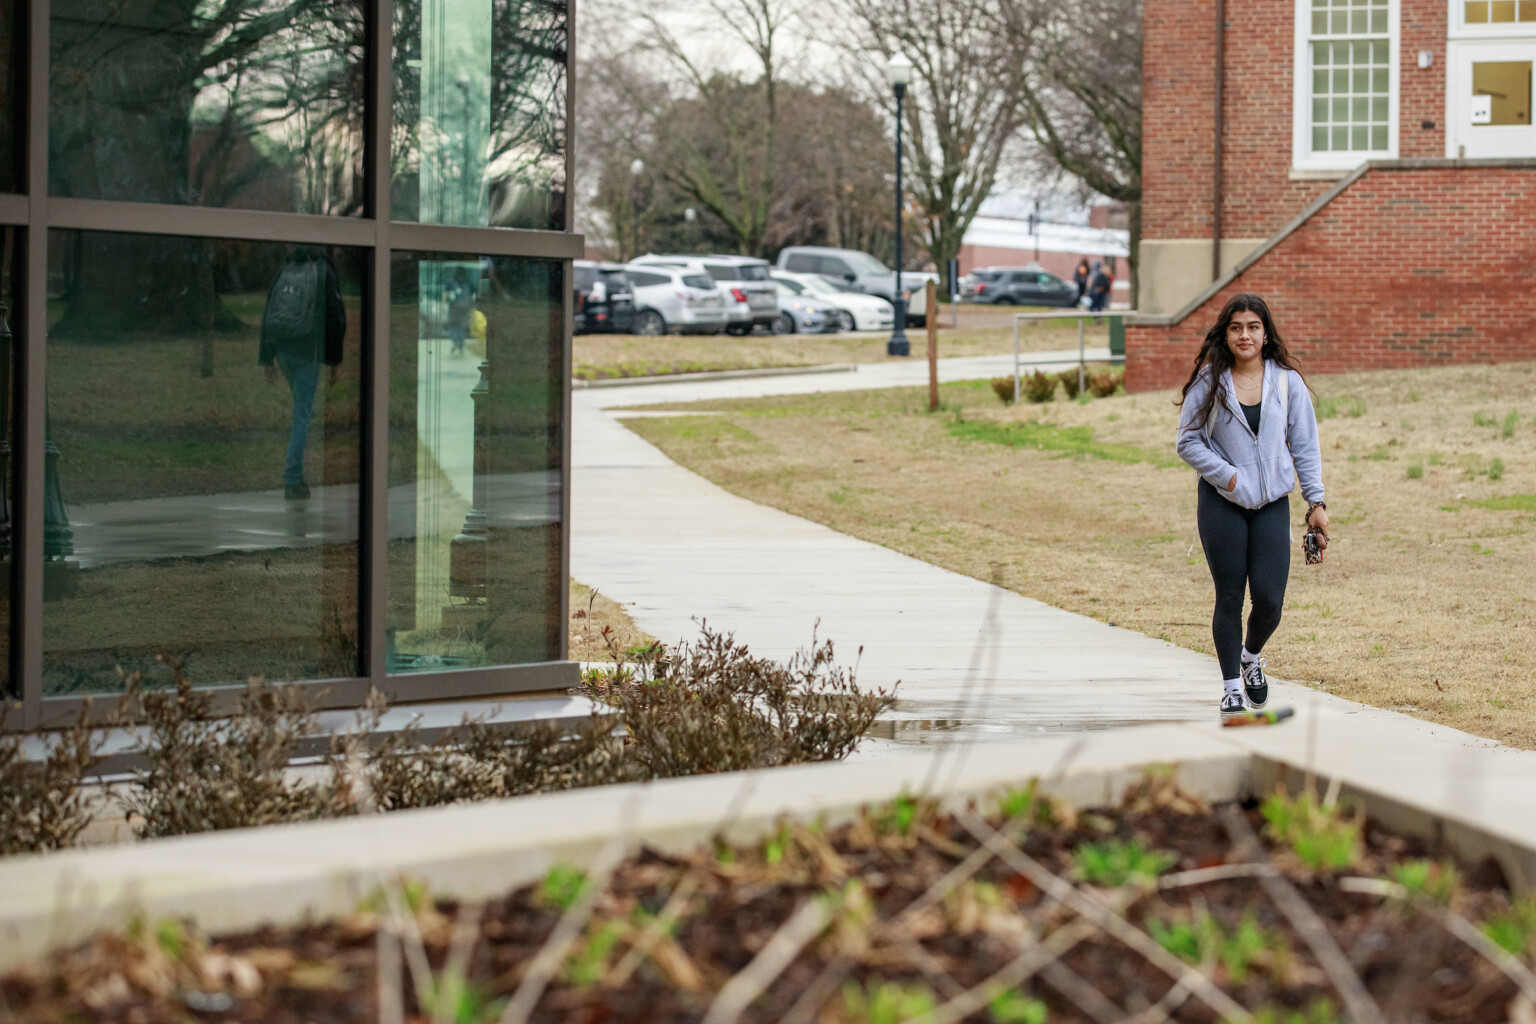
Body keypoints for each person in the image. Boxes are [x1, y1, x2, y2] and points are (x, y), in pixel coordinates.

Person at [1175, 293, 1329, 719]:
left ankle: (1250, 656)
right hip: (1222, 501)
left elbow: (1305, 445)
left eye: (1253, 327)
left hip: (1271, 503)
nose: (1245, 335)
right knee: (1229, 596)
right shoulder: (1210, 381)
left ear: (1265, 334)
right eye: (1236, 327)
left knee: (1269, 599)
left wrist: (1315, 500)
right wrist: (1229, 477)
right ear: (1226, 335)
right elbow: (1186, 441)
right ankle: (1229, 687)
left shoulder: (1286, 382)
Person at [259, 245, 345, 501]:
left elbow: (268, 310)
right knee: (302, 413)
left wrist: (267, 357)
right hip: (308, 350)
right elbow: (335, 317)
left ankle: (298, 477)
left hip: (283, 350)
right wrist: (335, 361)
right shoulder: (324, 271)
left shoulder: (287, 268)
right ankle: (292, 478)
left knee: (301, 408)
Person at [444, 266, 476, 355]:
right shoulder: (469, 283)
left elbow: (445, 295)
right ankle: (461, 344)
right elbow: (473, 296)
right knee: (463, 326)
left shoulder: (450, 283)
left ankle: (454, 341)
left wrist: (443, 305)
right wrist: (473, 307)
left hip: (453, 308)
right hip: (465, 308)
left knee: (454, 325)